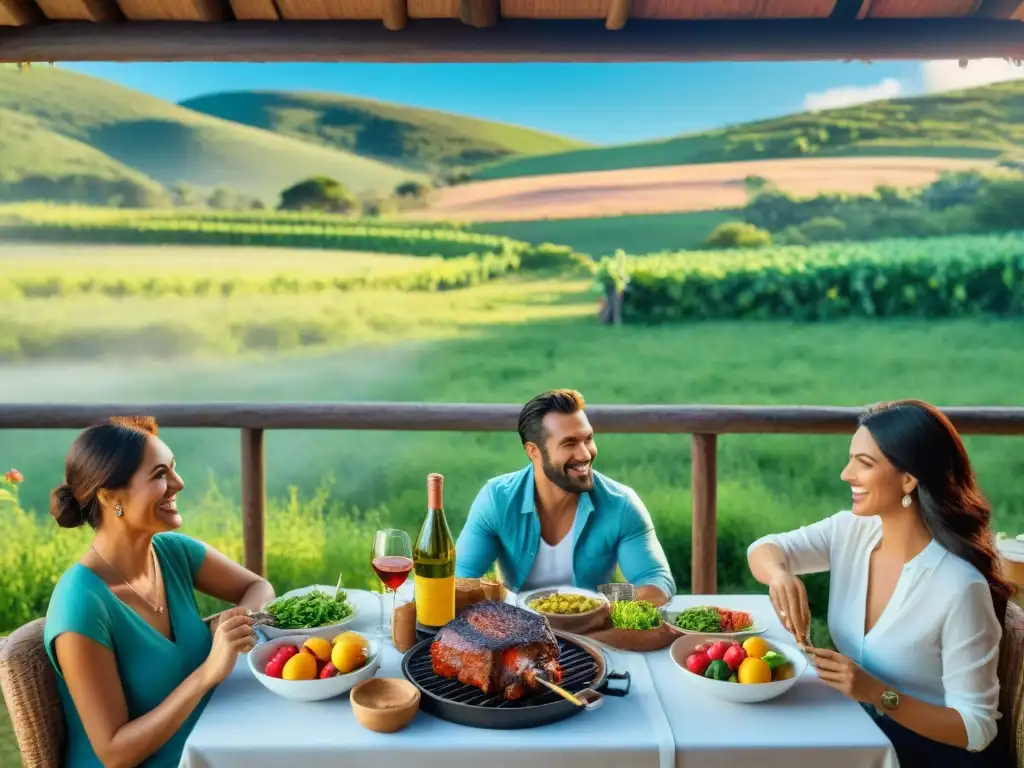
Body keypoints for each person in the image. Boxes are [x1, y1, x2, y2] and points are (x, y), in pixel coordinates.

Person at [747, 399, 1012, 766]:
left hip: (930, 754)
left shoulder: (959, 587)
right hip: (862, 731)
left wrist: (876, 692)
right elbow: (764, 549)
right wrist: (780, 575)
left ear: (909, 478)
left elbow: (977, 728)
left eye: (864, 463)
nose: (846, 474)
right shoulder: (851, 531)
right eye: (851, 458)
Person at [44, 416, 276, 768]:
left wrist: (235, 621)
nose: (178, 484)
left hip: (212, 745)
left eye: (174, 469)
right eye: (160, 475)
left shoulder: (172, 552)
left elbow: (257, 586)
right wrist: (208, 671)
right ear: (110, 496)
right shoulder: (80, 602)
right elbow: (114, 752)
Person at [455, 389, 675, 605]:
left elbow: (657, 583)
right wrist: (503, 598)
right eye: (569, 444)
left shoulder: (621, 504)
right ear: (533, 451)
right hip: (516, 630)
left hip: (592, 631)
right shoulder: (497, 500)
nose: (585, 454)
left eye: (588, 439)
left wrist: (598, 599)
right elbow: (460, 578)